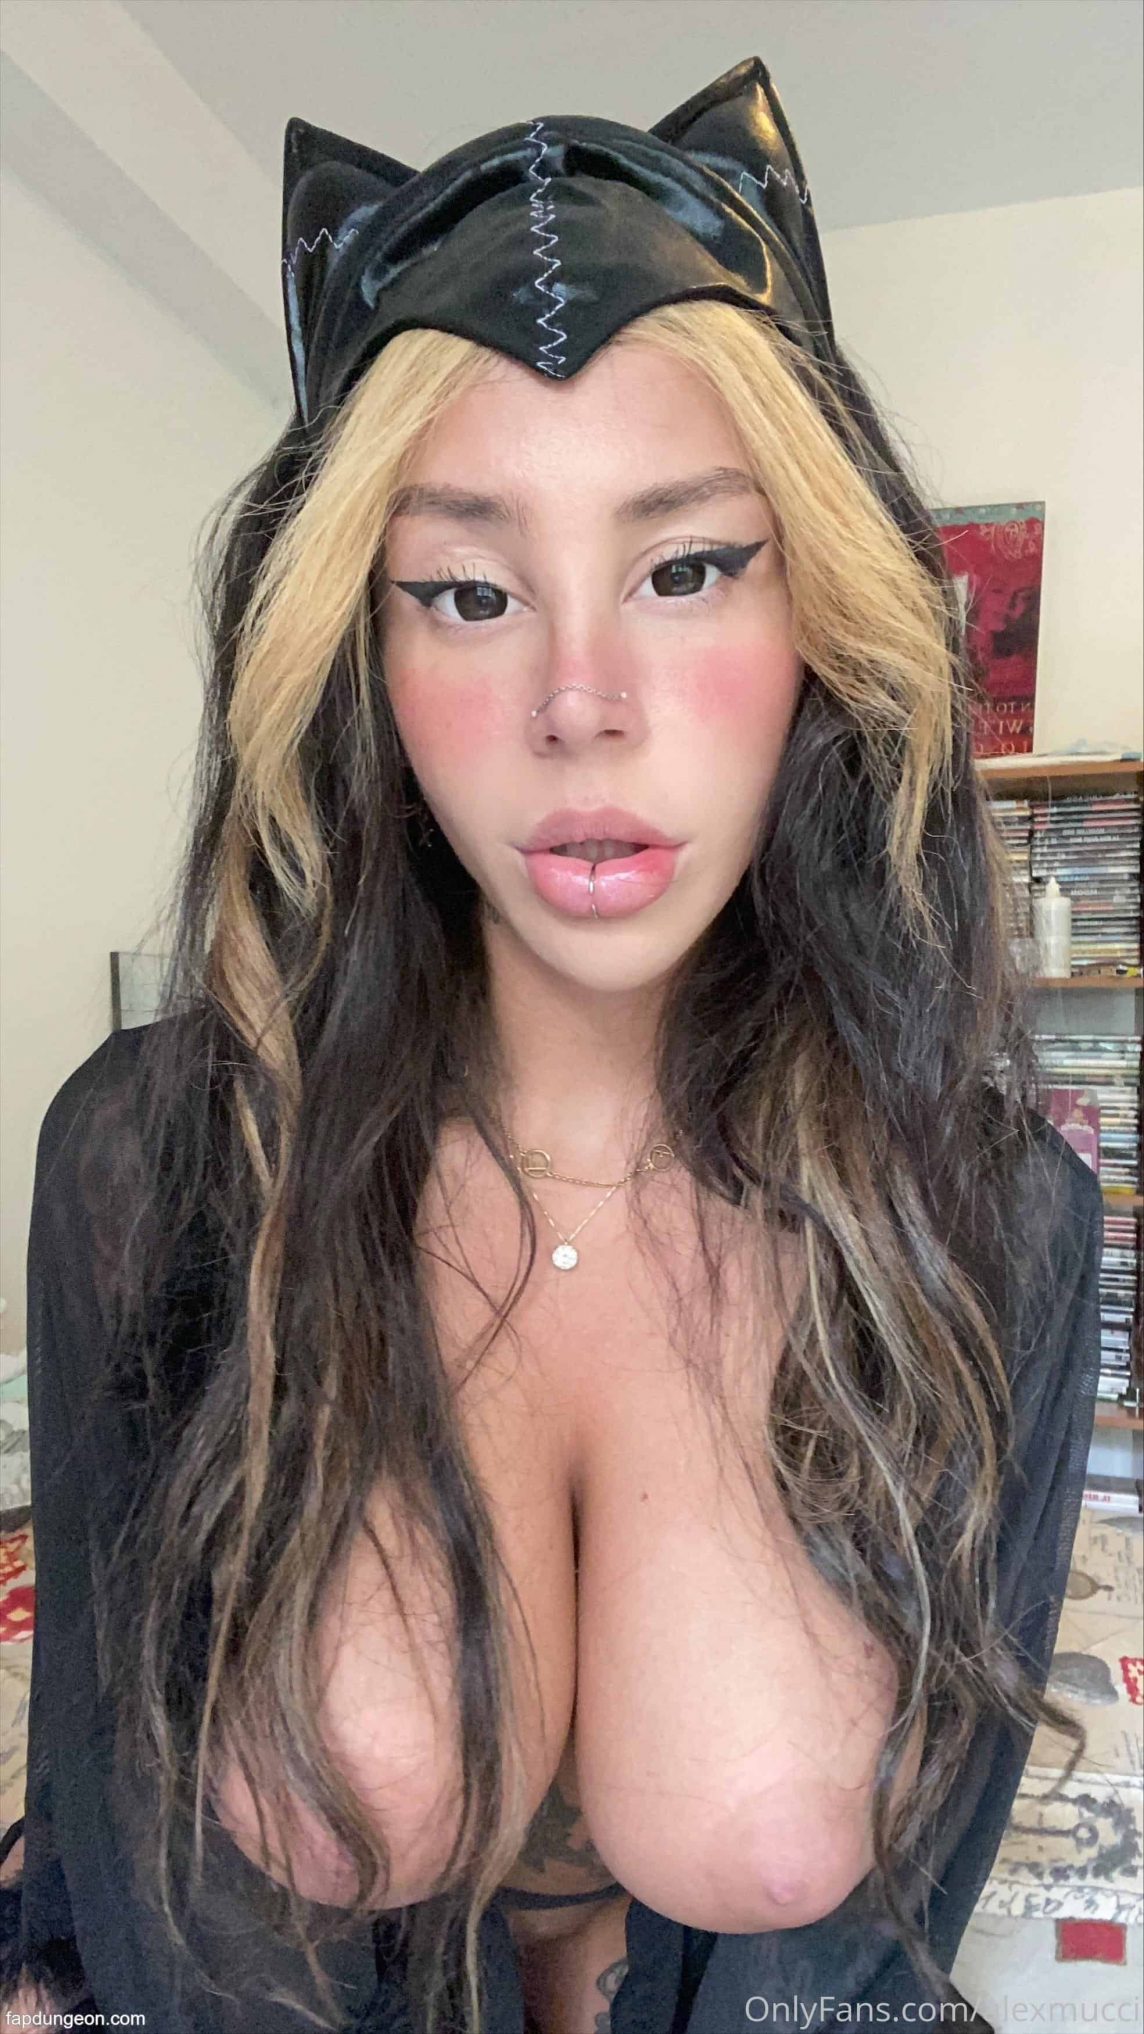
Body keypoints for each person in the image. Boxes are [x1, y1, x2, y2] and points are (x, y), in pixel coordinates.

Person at [0, 55, 1103, 2034]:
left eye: (684, 568)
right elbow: (102, 1849)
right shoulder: (156, 1166)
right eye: (467, 590)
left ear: (821, 618)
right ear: (358, 652)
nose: (580, 699)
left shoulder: (991, 1215)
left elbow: (889, 1937)